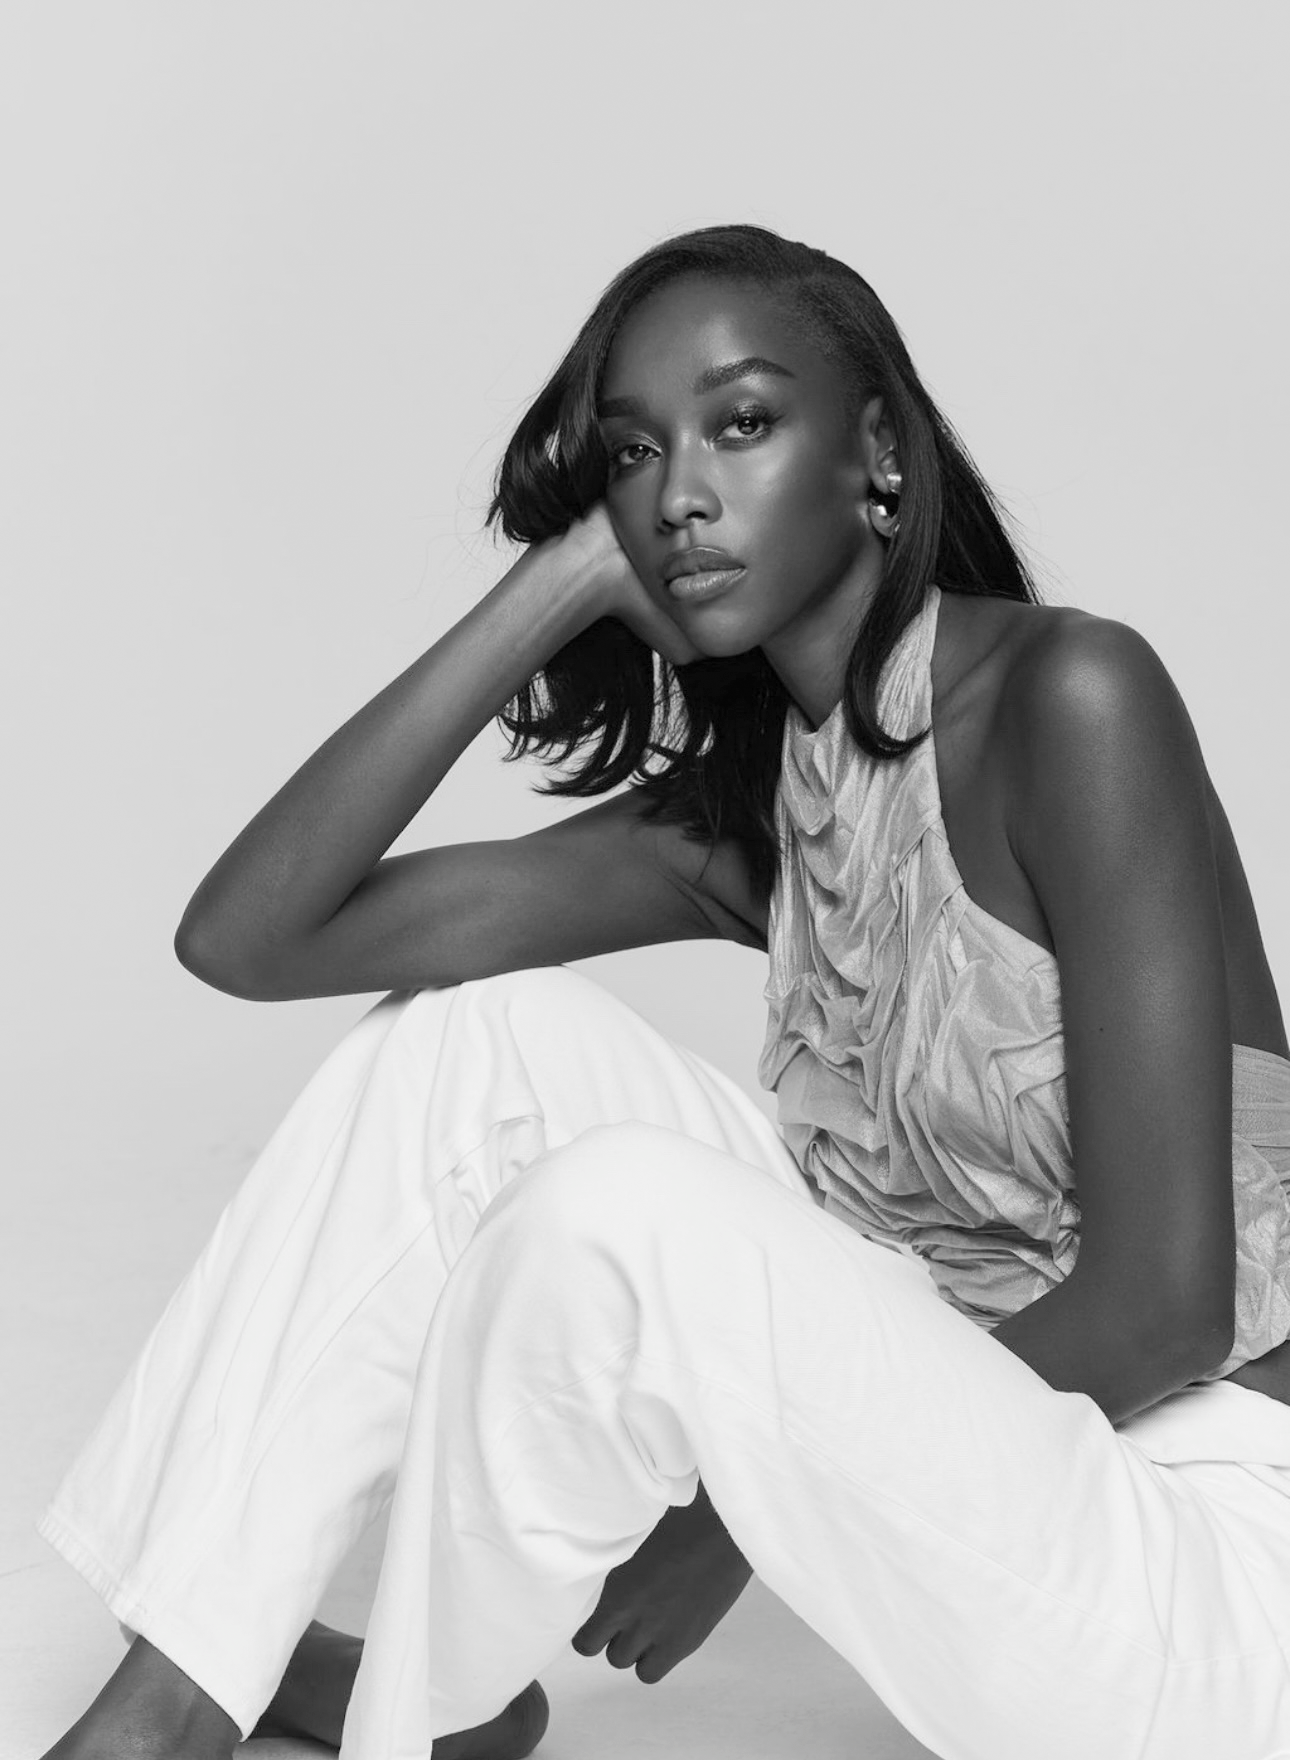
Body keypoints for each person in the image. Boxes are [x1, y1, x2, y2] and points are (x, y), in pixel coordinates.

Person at [34, 222, 1290, 1760]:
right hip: (980, 1499)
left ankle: (394, 1718)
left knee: (623, 1202)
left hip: (1210, 1564)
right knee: (473, 1039)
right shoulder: (763, 811)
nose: (681, 492)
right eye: (634, 454)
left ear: (875, 450)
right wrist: (553, 586)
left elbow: (1171, 1304)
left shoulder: (1072, 701)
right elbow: (250, 941)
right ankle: (231, 1696)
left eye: (742, 424)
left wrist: (730, 1527)